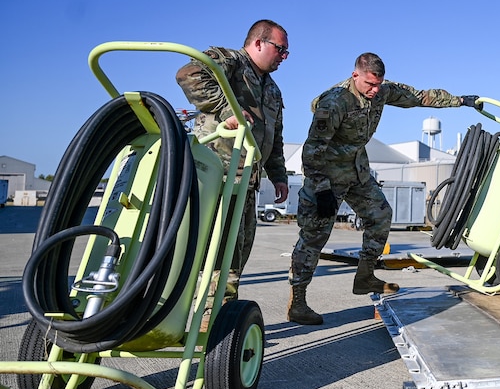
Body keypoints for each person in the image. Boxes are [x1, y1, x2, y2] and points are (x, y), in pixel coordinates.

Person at [287, 52, 482, 325]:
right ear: (356, 76)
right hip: (327, 176)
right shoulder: (335, 102)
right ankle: (298, 302)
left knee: (380, 215)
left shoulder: (381, 92)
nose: (374, 90)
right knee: (314, 236)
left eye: (378, 84)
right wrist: (321, 189)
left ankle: (365, 277)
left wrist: (460, 101)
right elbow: (312, 149)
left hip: (357, 172)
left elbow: (419, 97)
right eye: (369, 84)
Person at [176, 19, 290, 307]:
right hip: (217, 176)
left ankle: (222, 321)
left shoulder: (273, 90)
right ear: (258, 43)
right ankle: (207, 321)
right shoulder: (230, 62)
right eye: (280, 49)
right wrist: (229, 109)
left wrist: (278, 175)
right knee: (211, 254)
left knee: (235, 254)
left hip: (246, 183)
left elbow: (274, 137)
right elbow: (189, 73)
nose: (284, 57)